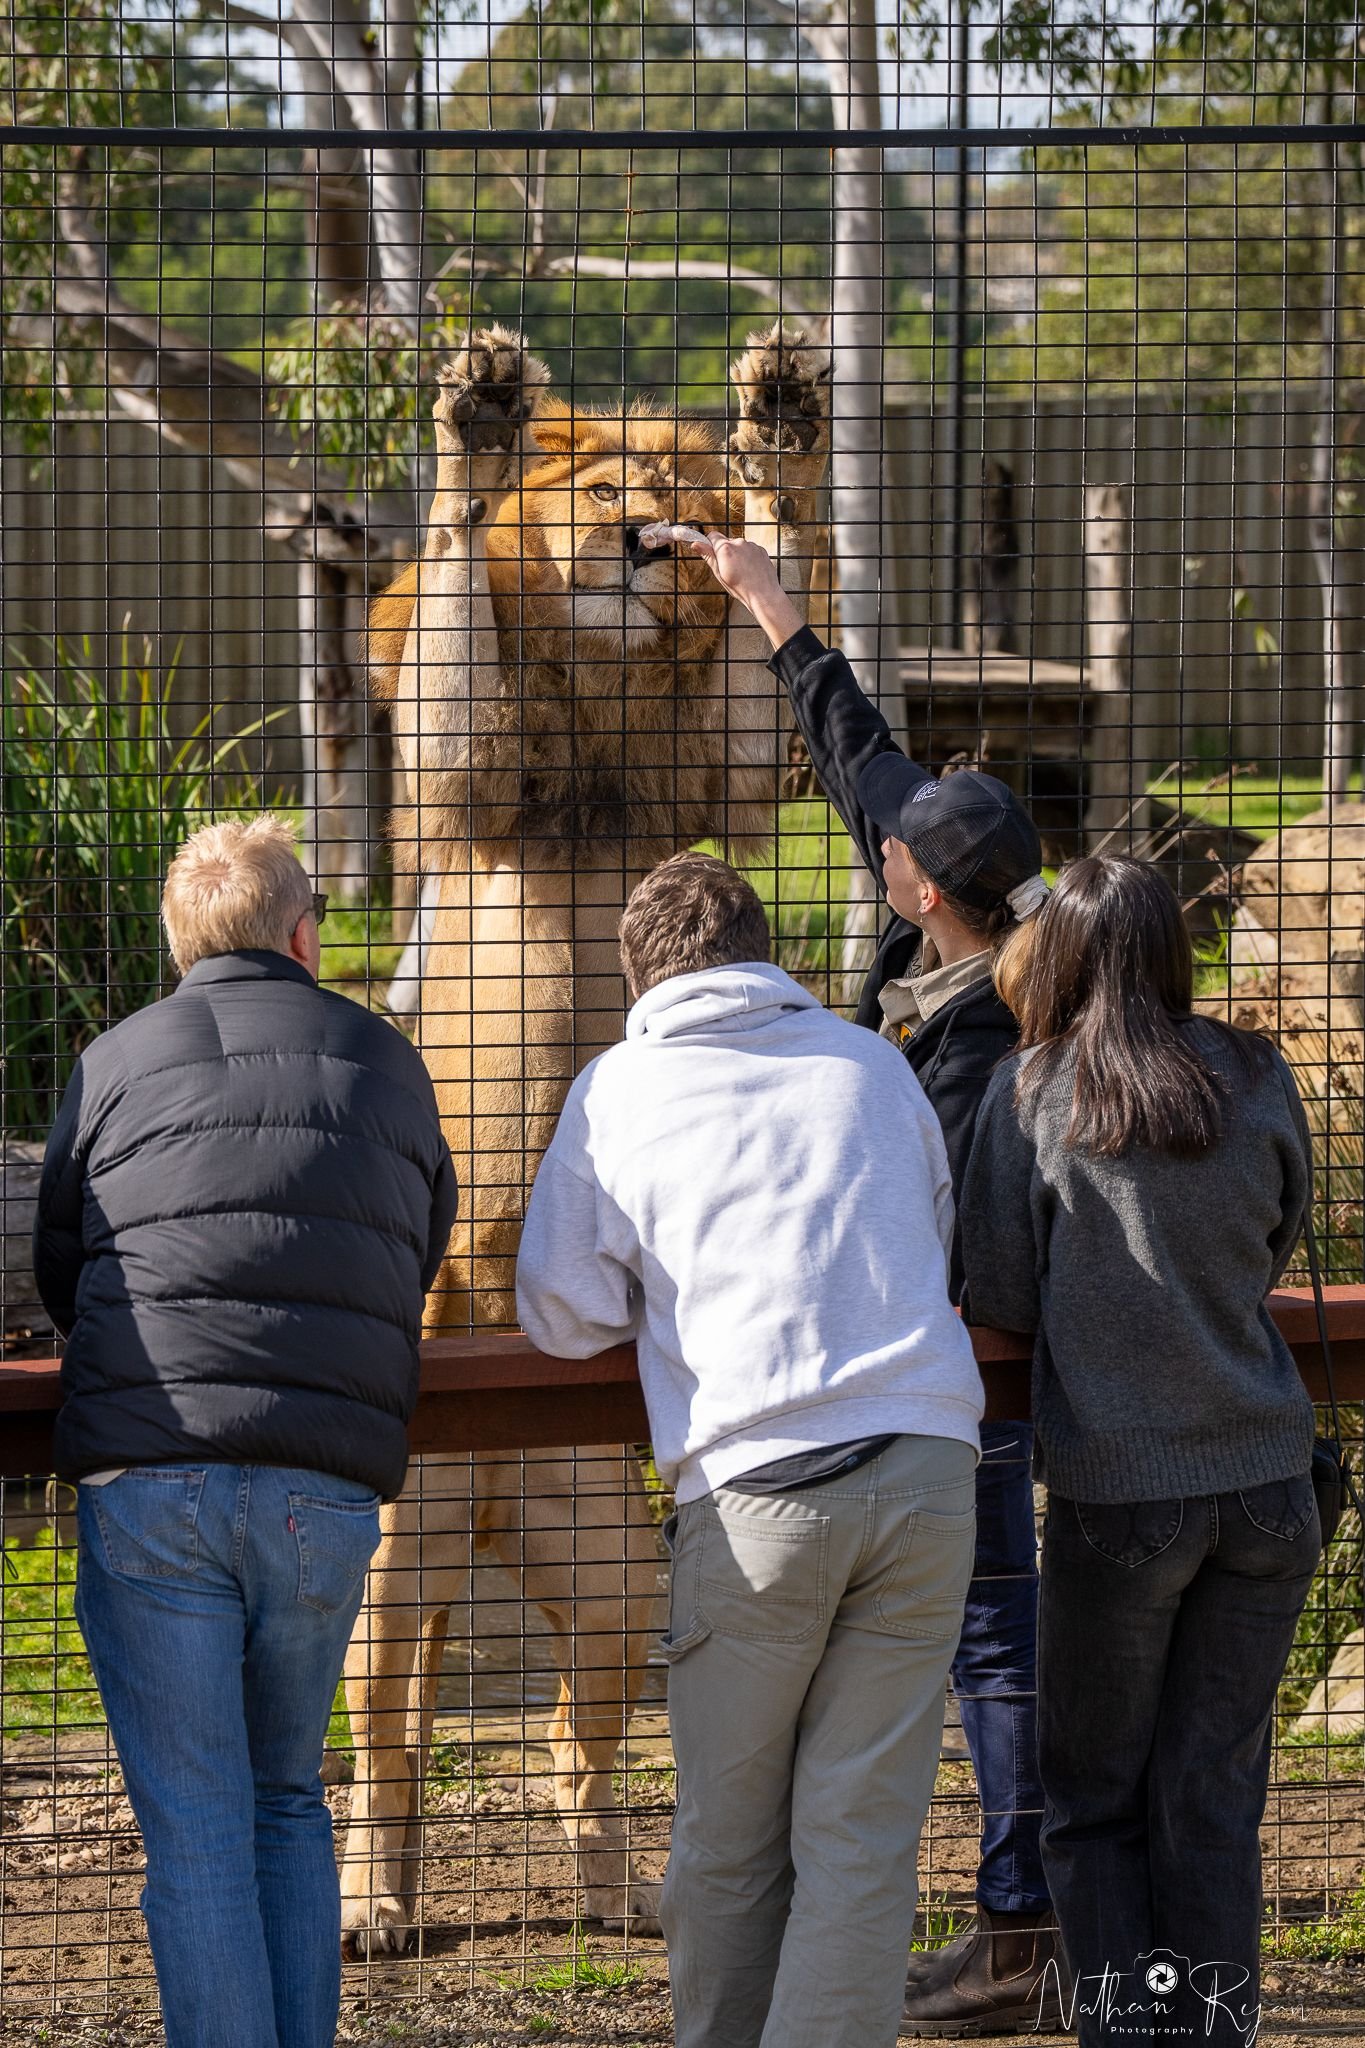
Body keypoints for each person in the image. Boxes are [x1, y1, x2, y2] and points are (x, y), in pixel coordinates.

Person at [516, 850, 982, 2048]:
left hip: (756, 1491)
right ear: (763, 947)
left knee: (726, 1838)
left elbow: (559, 1311)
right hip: (928, 1465)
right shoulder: (873, 1063)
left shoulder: (617, 1090)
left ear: (640, 972)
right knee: (862, 1838)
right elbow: (933, 1241)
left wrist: (668, 1293)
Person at [691, 530, 1061, 2034]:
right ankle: (1024, 1924)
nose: (878, 837)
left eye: (896, 848)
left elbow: (984, 1241)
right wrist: (770, 606)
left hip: (963, 1380)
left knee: (995, 1647)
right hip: (924, 1392)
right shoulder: (973, 946)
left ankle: (1022, 1927)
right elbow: (868, 764)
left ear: (920, 896)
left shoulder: (982, 1057)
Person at [34, 815, 458, 2048]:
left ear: (178, 946)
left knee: (199, 1823)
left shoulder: (114, 1058)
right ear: (305, 934)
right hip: (322, 1490)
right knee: (287, 1798)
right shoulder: (388, 1061)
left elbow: (65, 1259)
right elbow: (416, 1249)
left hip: (152, 1470)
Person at [959, 855, 1319, 2048]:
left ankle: (1128, 2034)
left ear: (1059, 955)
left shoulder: (1033, 1092)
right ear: (1174, 949)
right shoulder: (1258, 1072)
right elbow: (1277, 1234)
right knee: (1210, 1804)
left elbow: (1002, 1287)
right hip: (1267, 1482)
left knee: (1095, 1804)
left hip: (1123, 1493)